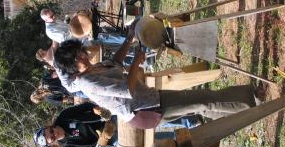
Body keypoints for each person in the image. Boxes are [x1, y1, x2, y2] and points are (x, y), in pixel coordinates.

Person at [53, 37, 262, 128]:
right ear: (72, 67)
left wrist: (129, 40)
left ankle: (243, 110)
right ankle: (253, 103)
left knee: (201, 103)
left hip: (150, 99)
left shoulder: (92, 68)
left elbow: (115, 63)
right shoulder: (87, 82)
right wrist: (137, 62)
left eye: (80, 52)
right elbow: (126, 90)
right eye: (77, 58)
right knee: (201, 101)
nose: (82, 56)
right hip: (145, 111)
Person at [33, 102, 116, 147]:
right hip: (111, 138)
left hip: (108, 118)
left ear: (49, 126)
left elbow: (85, 106)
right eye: (53, 138)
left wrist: (95, 109)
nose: (55, 134)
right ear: (52, 142)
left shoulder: (64, 116)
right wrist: (104, 139)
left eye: (51, 131)